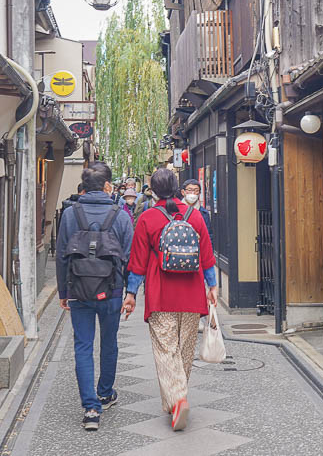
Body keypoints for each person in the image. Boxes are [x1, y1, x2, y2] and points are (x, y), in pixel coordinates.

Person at [123, 168, 217, 432]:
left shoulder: (147, 219)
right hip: (192, 291)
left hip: (161, 292)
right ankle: (178, 397)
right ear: (178, 188)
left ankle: (178, 399)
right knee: (184, 349)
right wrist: (212, 286)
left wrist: (130, 294)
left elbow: (138, 262)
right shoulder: (194, 216)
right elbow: (207, 254)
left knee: (166, 350)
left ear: (152, 190)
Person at [56, 162, 134, 432]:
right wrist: (130, 292)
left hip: (78, 289)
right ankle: (105, 392)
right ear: (108, 186)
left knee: (83, 346)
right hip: (111, 291)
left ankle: (90, 408)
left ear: (84, 186)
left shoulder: (70, 214)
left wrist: (63, 292)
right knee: (109, 341)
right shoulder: (120, 214)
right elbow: (129, 257)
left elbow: (61, 254)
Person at [181, 179, 214, 247]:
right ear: (183, 192)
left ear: (199, 193)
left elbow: (208, 236)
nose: (193, 193)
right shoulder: (176, 210)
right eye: (189, 190)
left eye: (196, 190)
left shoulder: (204, 213)